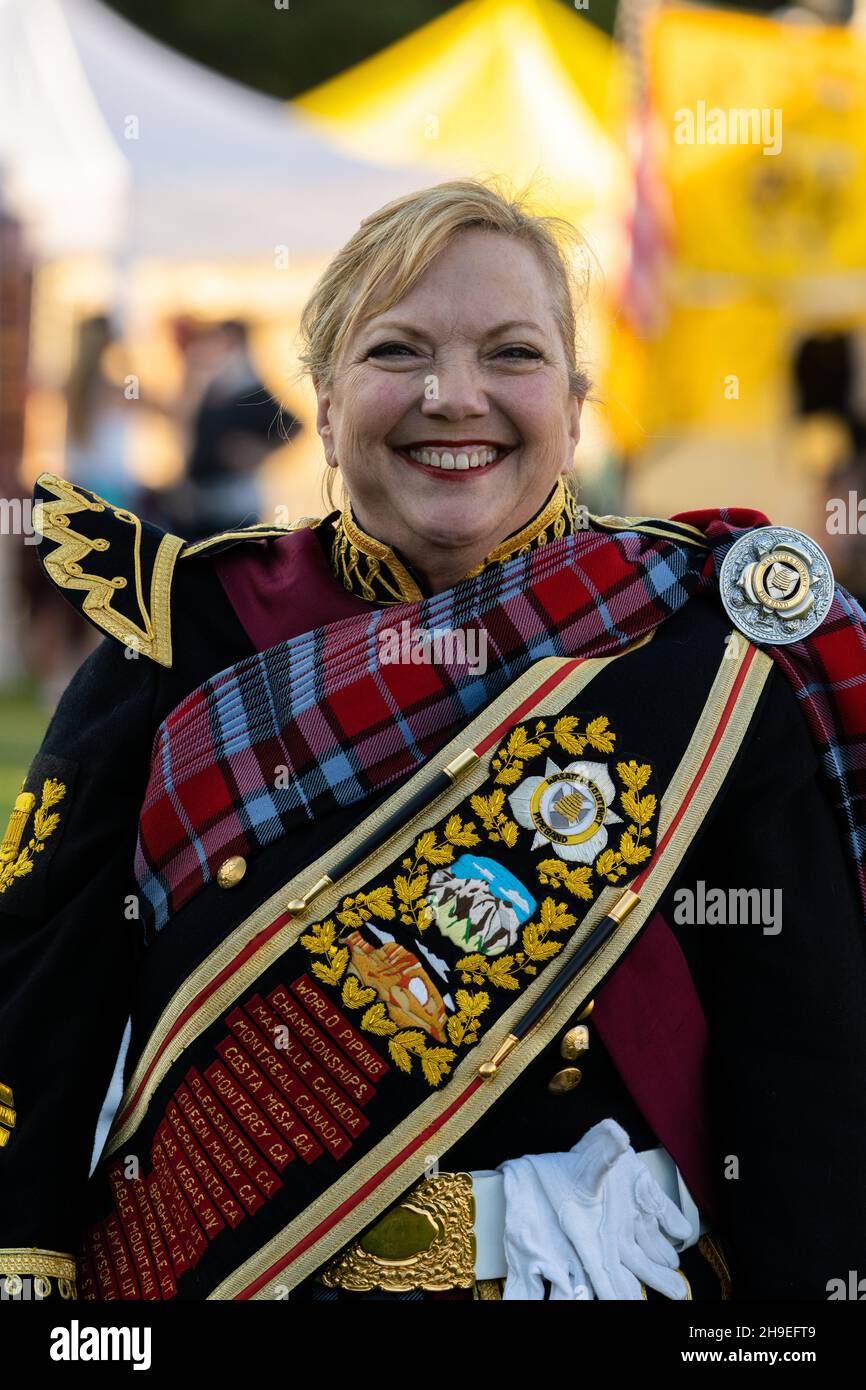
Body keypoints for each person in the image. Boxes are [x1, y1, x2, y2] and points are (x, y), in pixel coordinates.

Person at [2, 179, 866, 1304]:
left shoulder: (703, 654)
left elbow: (806, 1081)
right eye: (396, 352)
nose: (450, 398)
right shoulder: (179, 636)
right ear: (319, 400)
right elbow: (36, 1026)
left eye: (510, 354)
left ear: (575, 400)